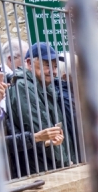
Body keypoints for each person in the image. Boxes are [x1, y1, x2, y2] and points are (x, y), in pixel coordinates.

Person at [5, 42, 70, 174]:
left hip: (50, 165)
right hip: (40, 168)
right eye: (47, 65)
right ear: (29, 63)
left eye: (55, 66)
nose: (53, 71)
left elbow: (58, 129)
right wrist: (65, 162)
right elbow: (43, 130)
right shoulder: (24, 86)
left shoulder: (45, 86)